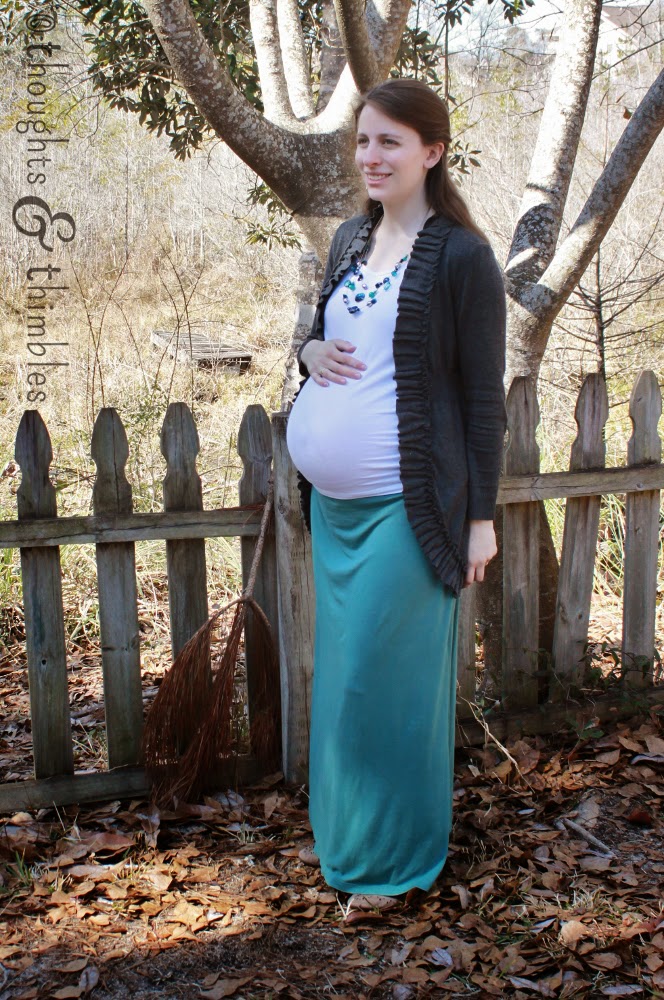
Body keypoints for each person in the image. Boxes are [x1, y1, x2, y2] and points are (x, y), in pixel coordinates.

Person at [285, 78, 507, 913]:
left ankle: (397, 863)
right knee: (343, 682)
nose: (370, 157)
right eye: (363, 140)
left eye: (390, 141)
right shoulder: (351, 238)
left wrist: (480, 518)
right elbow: (320, 337)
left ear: (432, 152)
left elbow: (483, 400)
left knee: (387, 690)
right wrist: (308, 354)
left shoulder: (463, 259)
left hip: (408, 513)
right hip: (334, 512)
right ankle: (347, 847)